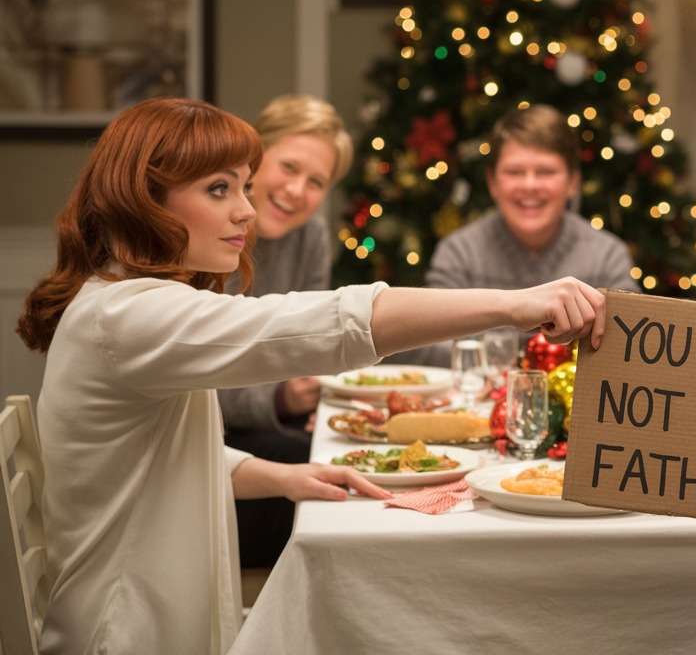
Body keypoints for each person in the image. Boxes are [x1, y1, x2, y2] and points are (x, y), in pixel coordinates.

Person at [16, 98, 606, 655]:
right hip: (127, 636)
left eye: (243, 187)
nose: (245, 210)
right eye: (219, 189)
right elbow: (325, 323)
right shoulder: (129, 315)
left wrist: (285, 474)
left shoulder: (120, 300)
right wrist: (512, 305)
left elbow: (156, 454)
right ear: (144, 199)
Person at [217, 93, 353, 569]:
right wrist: (280, 398)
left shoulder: (311, 236)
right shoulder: (212, 234)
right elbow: (198, 374)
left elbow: (309, 344)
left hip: (272, 427)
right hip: (215, 440)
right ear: (255, 158)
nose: (297, 191)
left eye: (316, 181)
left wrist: (310, 387)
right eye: (289, 168)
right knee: (326, 483)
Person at [409, 103, 637, 365]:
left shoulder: (607, 256)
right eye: (514, 172)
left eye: (546, 172)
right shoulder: (459, 252)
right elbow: (425, 343)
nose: (529, 185)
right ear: (492, 183)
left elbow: (627, 351)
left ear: (572, 182)